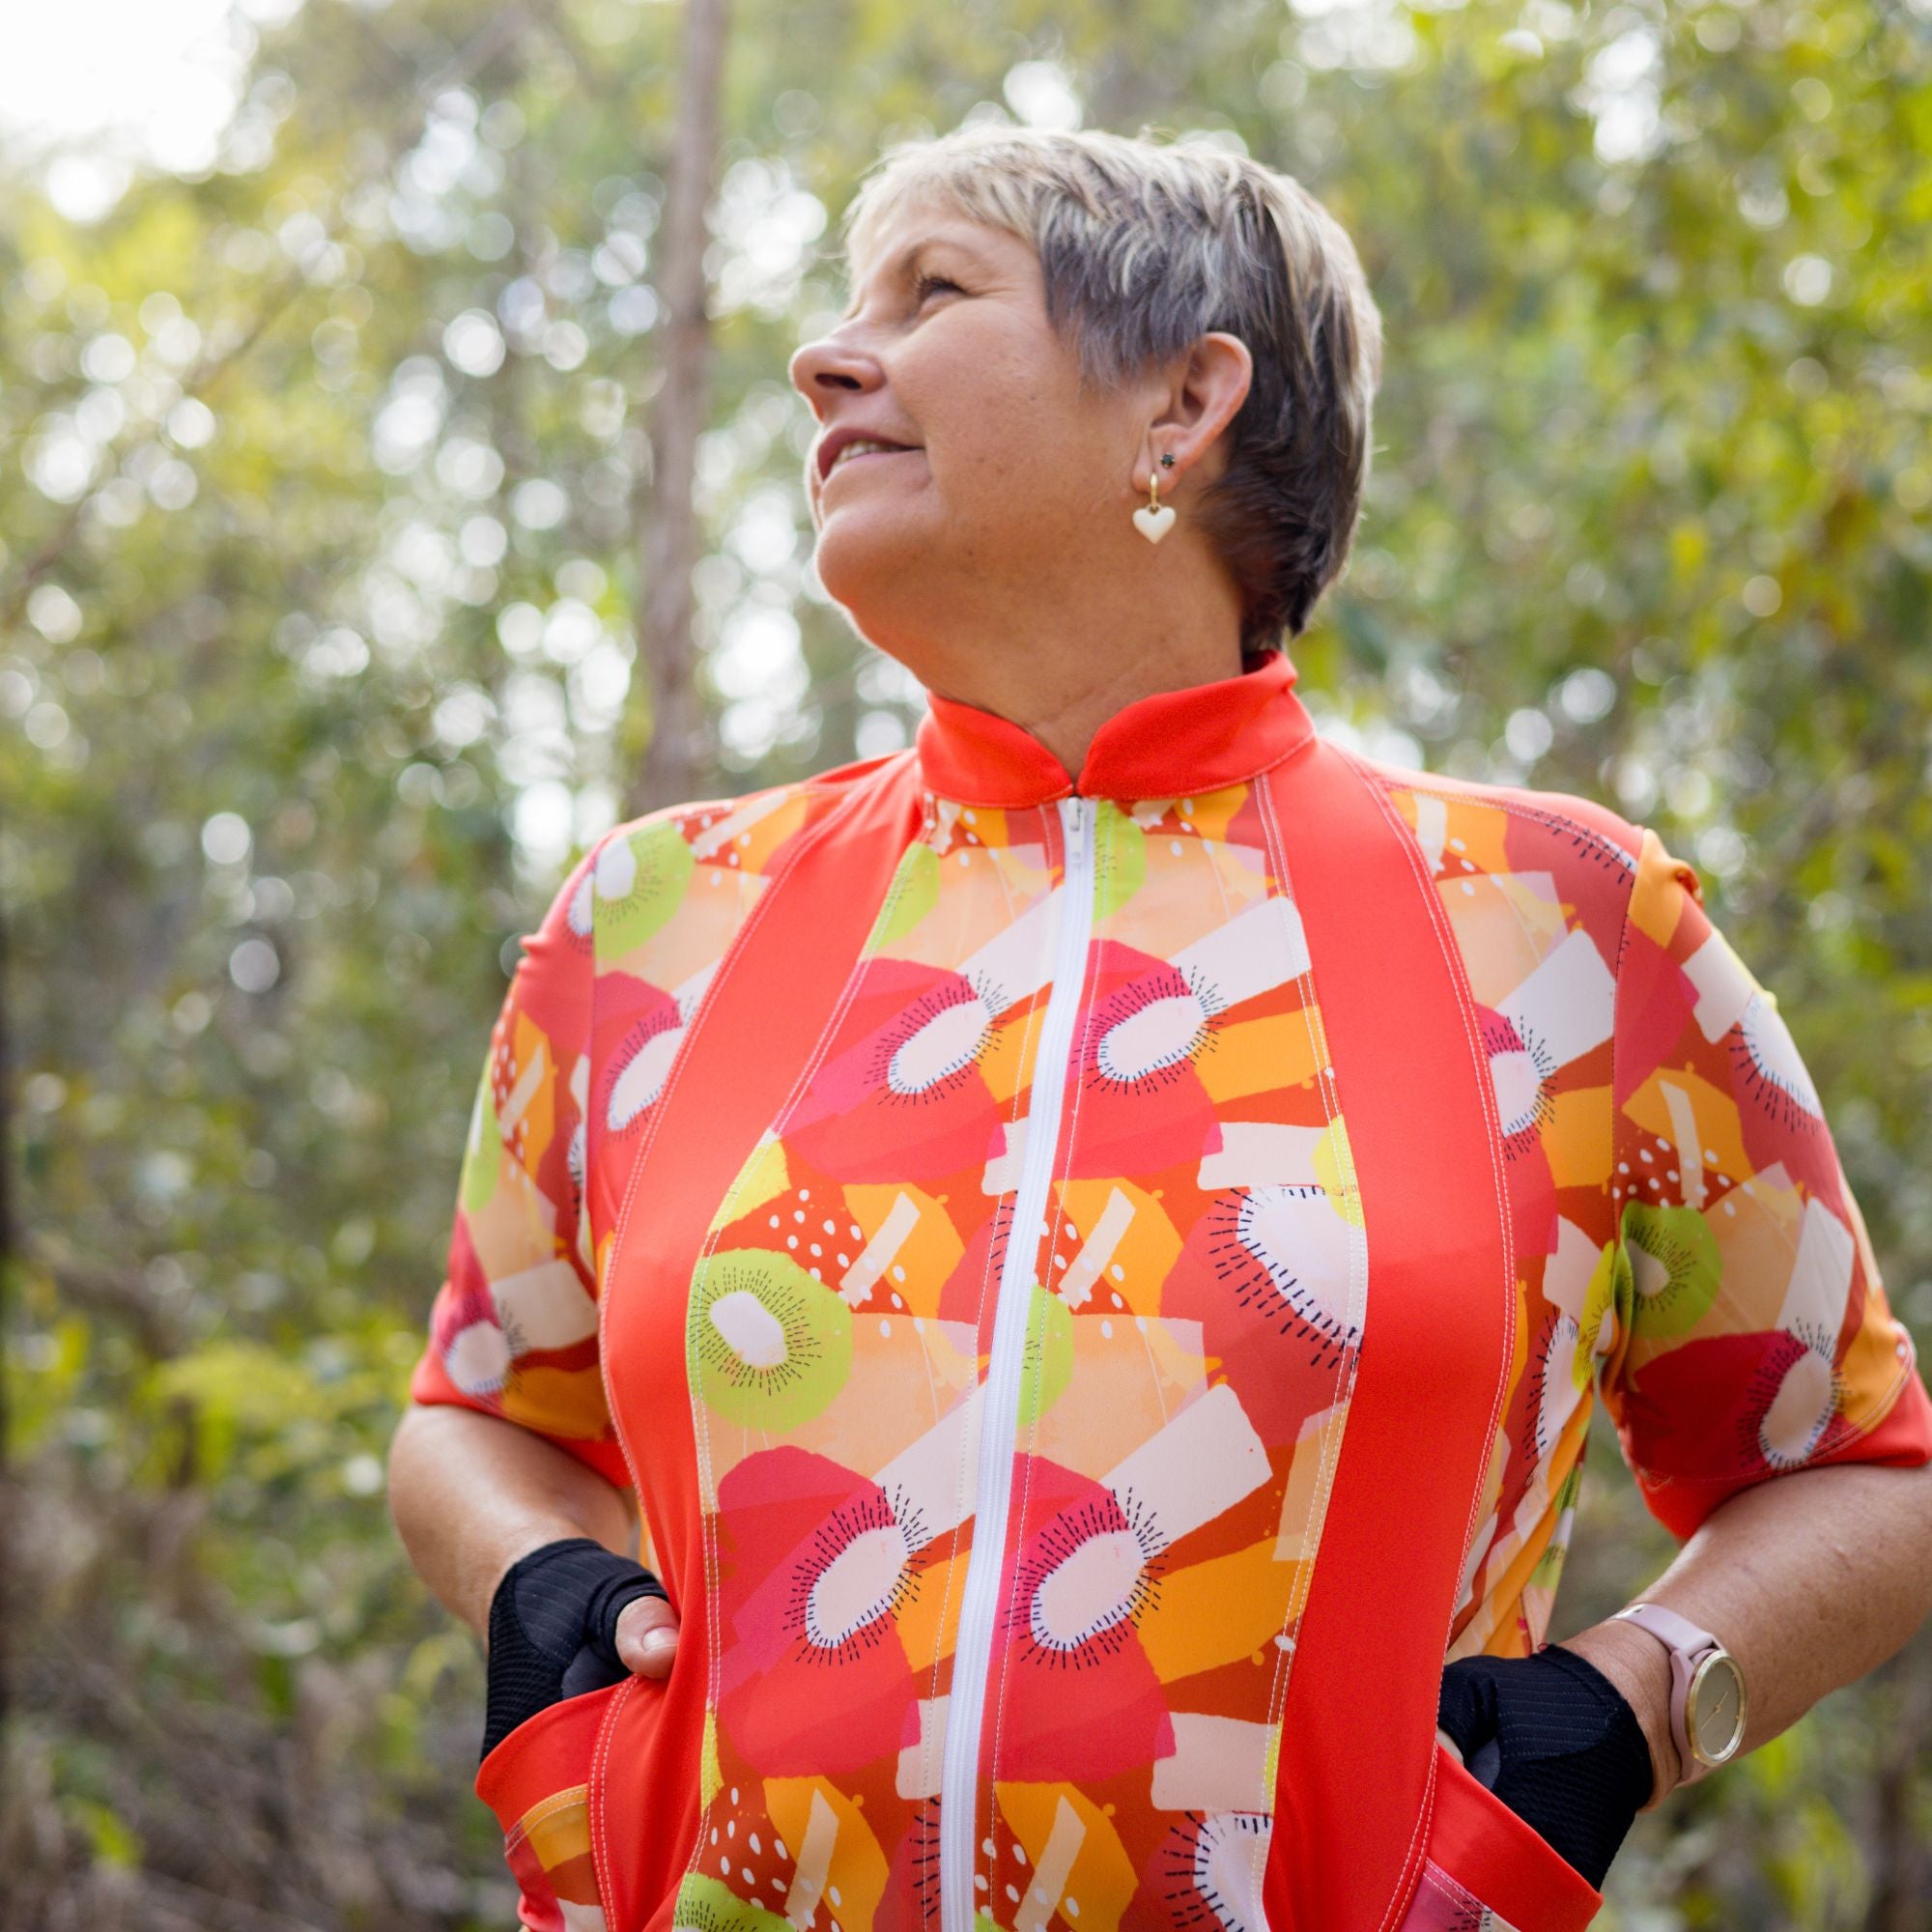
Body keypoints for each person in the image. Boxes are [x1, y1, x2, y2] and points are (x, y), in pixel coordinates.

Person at [387, 125, 1932, 1932]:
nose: (824, 353)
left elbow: (1865, 1474)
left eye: (935, 291)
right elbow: (473, 1416)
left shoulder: (1560, 926)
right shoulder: (655, 920)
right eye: (846, 303)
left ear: (1184, 406)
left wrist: (1629, 1713)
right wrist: (535, 1598)